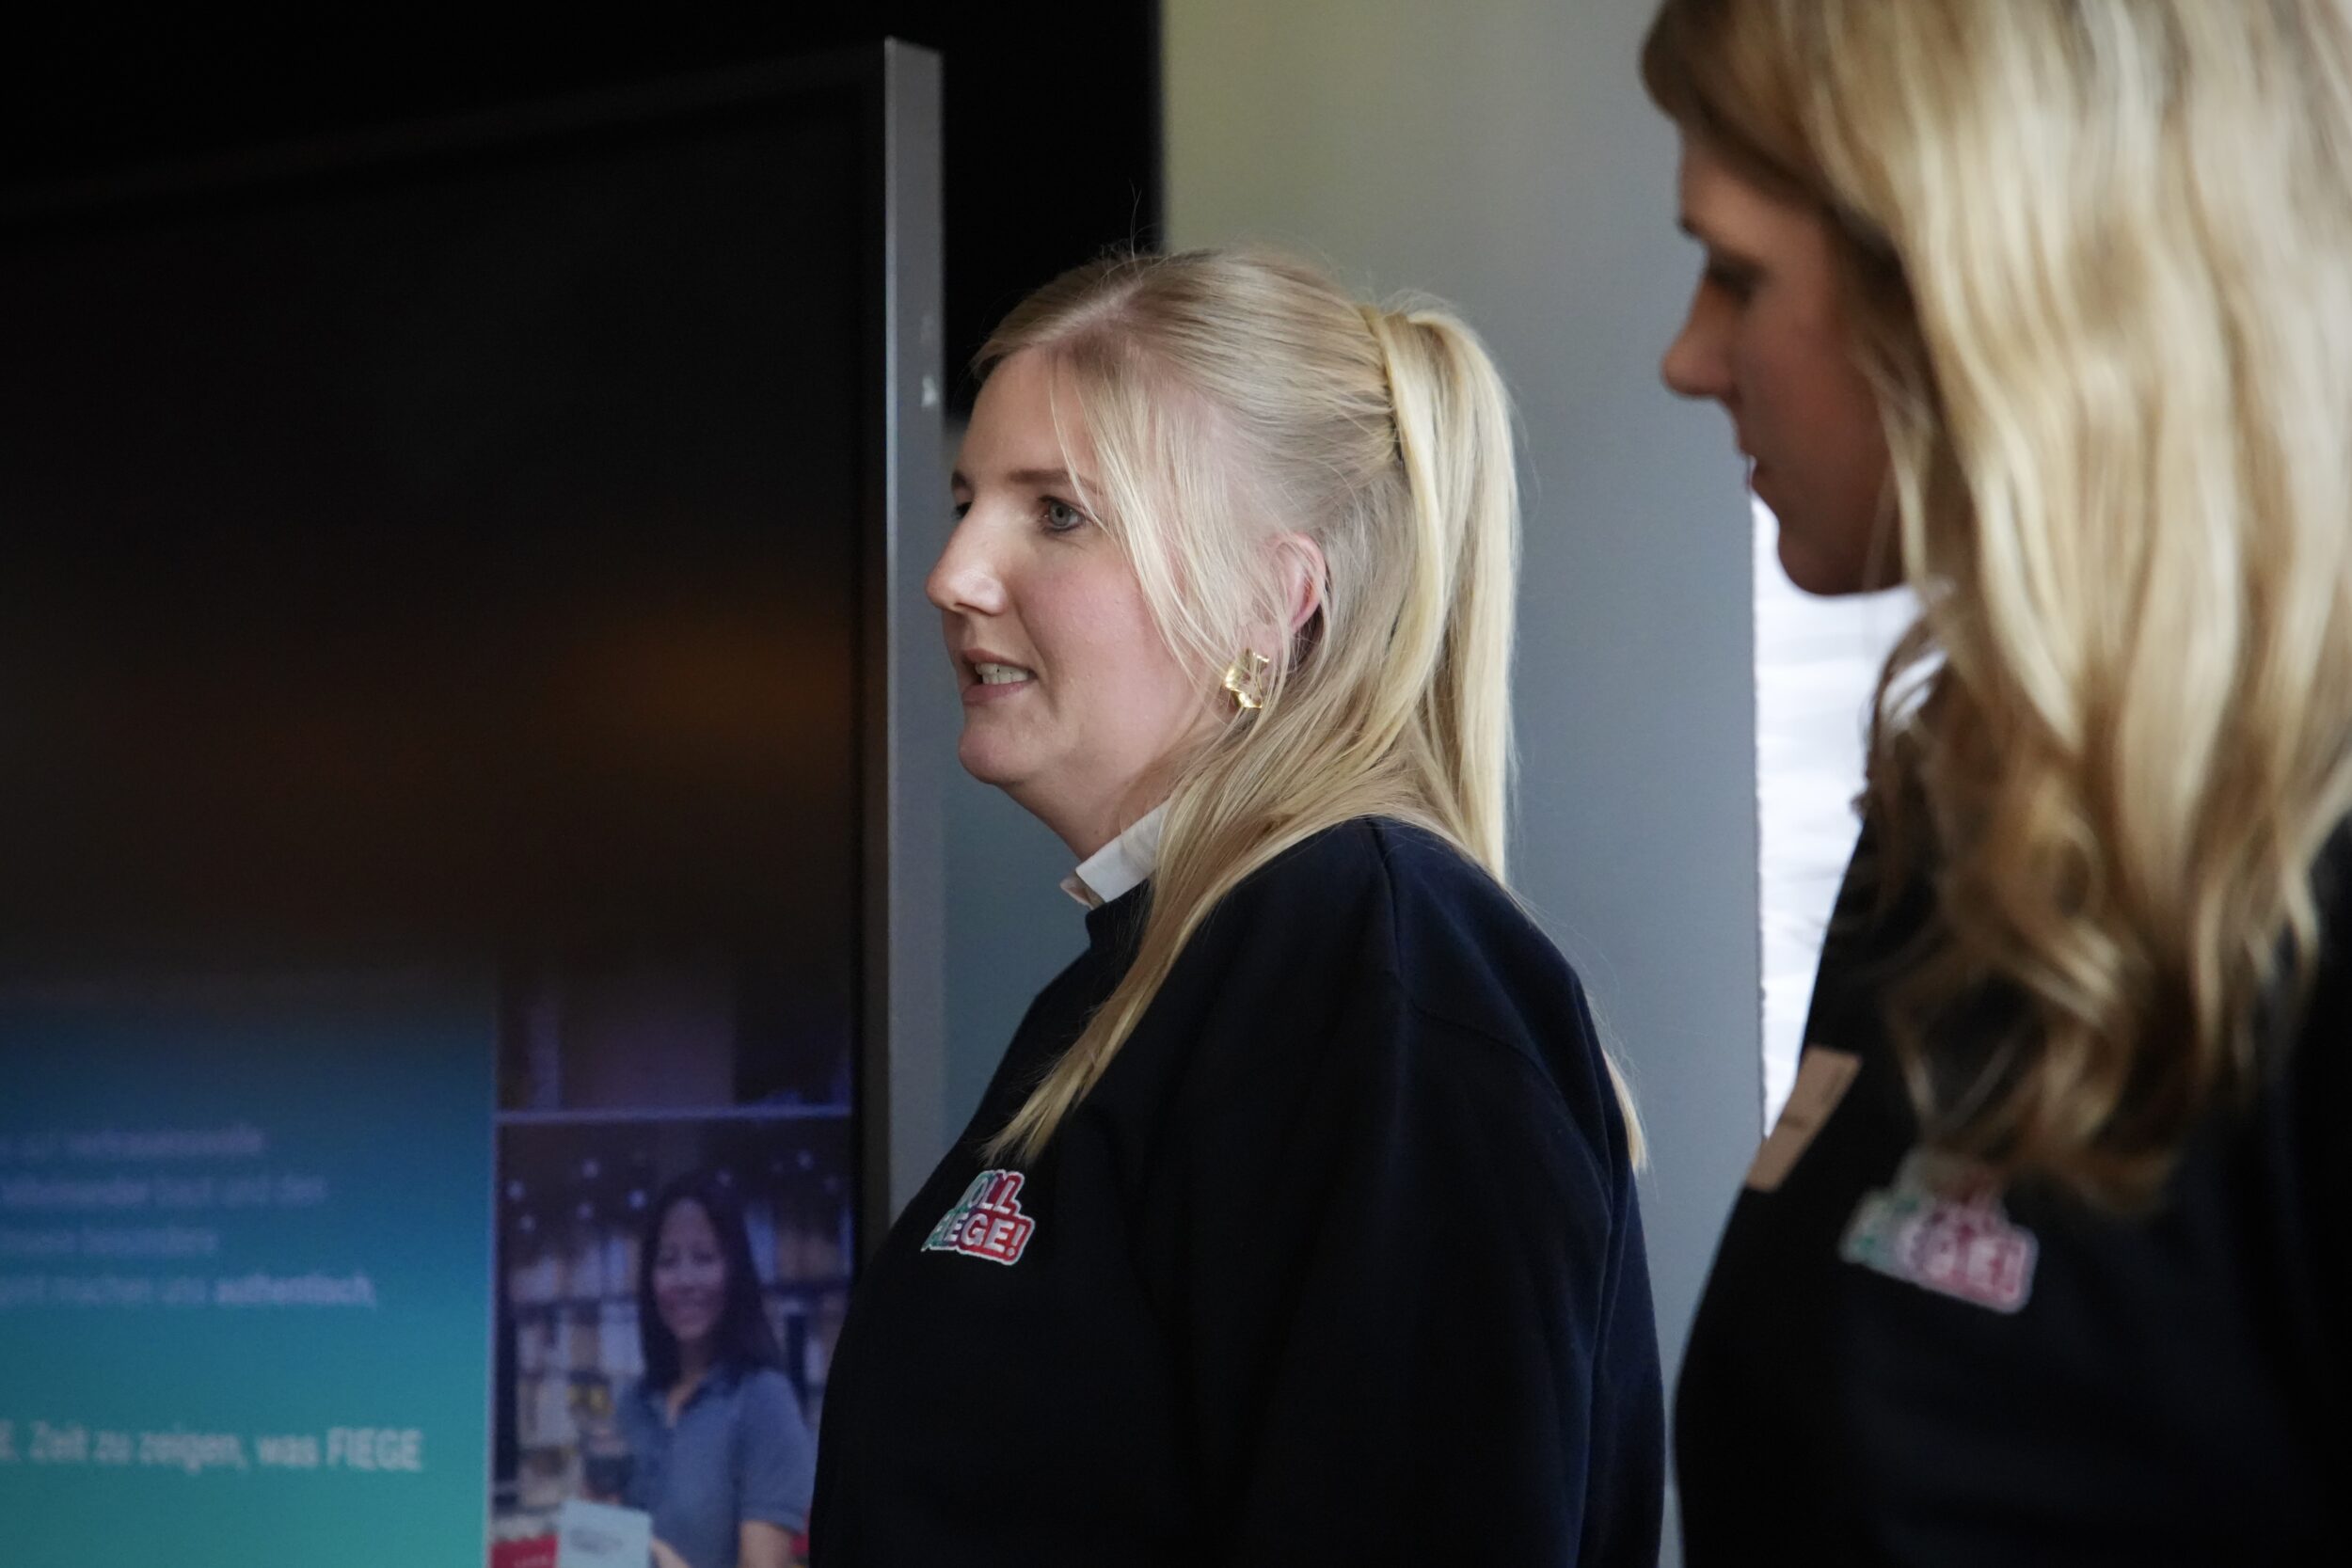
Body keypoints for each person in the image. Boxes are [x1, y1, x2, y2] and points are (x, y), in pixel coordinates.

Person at [809, 249, 1662, 1565]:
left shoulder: (1368, 964)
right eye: (968, 501)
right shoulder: (1167, 963)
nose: (953, 572)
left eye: (1058, 513)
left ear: (1274, 601)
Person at [1645, 0, 2352, 1560]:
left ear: (1983, 293)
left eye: (1738, 276)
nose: (1686, 358)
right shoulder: (1955, 812)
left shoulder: (2310, 879)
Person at [612, 1170, 815, 1568]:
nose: (685, 1280)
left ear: (734, 1270)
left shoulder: (764, 1400)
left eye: (704, 1258)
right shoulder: (633, 1404)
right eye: (668, 1261)